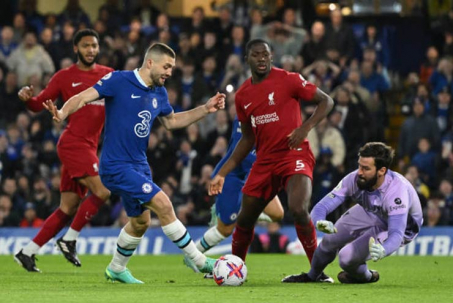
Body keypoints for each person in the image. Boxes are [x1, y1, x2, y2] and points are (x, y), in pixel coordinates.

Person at [44, 43, 226, 284]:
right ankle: (200, 261)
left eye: (172, 68)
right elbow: (83, 97)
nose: (170, 72)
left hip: (140, 166)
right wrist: (63, 112)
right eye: (167, 66)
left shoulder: (159, 92)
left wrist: (205, 109)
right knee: (163, 203)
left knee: (140, 223)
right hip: (116, 166)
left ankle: (116, 269)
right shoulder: (118, 80)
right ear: (150, 62)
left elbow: (171, 122)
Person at [209, 39, 334, 282]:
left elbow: (326, 101)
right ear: (247, 59)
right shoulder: (243, 95)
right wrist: (223, 172)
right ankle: (235, 269)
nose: (262, 59)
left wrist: (305, 128)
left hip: (294, 154)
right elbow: (246, 140)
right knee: (245, 218)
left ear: (271, 57)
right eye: (256, 55)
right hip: (265, 162)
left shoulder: (289, 79)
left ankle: (316, 272)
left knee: (298, 208)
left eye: (265, 54)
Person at [14, 29, 113, 272]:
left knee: (67, 208)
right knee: (102, 192)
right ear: (75, 49)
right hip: (73, 144)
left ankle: (27, 252)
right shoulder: (64, 77)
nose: (91, 50)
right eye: (86, 45)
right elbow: (40, 103)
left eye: (94, 46)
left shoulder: (109, 75)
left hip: (88, 146)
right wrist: (28, 99)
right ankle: (69, 240)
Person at [282, 142, 423, 283]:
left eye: (366, 168)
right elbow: (321, 207)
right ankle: (313, 276)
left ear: (381, 171)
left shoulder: (396, 192)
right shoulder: (354, 179)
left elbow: (397, 234)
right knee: (330, 240)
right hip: (372, 211)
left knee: (346, 258)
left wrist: (384, 249)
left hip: (401, 227)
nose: (360, 172)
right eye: (359, 166)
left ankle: (368, 276)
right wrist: (319, 221)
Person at [194, 117, 284, 276]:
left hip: (256, 172)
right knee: (225, 229)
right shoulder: (246, 114)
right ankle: (193, 254)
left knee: (278, 214)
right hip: (232, 172)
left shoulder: (277, 117)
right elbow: (241, 149)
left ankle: (248, 214)